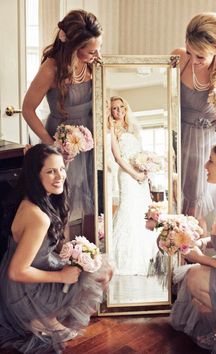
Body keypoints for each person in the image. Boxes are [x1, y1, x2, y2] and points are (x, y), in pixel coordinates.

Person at [0, 144, 112, 354]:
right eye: (50, 171)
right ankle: (38, 316)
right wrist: (62, 276)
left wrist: (75, 251)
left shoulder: (35, 199)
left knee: (96, 264)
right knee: (103, 272)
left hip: (31, 273)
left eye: (61, 168)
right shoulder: (38, 216)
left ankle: (47, 317)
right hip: (23, 290)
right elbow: (17, 271)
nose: (59, 176)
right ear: (36, 176)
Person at [22, 9, 103, 222]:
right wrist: (52, 146)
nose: (97, 55)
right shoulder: (51, 68)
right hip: (62, 138)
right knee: (64, 203)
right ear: (75, 47)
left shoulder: (94, 65)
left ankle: (85, 251)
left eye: (98, 49)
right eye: (92, 51)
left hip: (89, 137)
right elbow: (28, 109)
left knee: (92, 202)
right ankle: (62, 251)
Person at [171, 12, 216, 232]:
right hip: (179, 138)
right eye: (191, 52)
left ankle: (192, 256)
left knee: (195, 211)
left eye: (201, 57)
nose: (194, 60)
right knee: (175, 202)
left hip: (206, 143)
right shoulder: (179, 58)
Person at [170, 142, 216, 352]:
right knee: (193, 277)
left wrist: (201, 258)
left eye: (211, 161)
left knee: (195, 276)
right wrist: (201, 242)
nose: (205, 166)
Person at [108, 96, 158, 276]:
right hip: (127, 175)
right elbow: (118, 158)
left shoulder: (133, 129)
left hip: (140, 175)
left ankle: (145, 257)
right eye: (115, 108)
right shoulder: (111, 130)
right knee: (128, 210)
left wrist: (146, 167)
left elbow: (140, 153)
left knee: (142, 212)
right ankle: (123, 259)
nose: (119, 111)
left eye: (122, 107)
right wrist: (134, 173)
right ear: (110, 111)